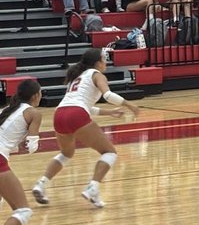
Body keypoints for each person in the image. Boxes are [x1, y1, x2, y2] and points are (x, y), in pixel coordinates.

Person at [32, 48, 138, 209]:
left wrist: (109, 112)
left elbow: (82, 105)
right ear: (97, 62)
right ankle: (93, 188)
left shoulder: (77, 77)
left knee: (66, 153)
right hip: (75, 113)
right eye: (104, 59)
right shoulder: (96, 74)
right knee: (109, 152)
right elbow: (107, 96)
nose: (106, 62)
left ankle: (41, 184)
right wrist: (129, 104)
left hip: (59, 114)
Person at [0, 79, 44, 225]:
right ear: (36, 95)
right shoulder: (34, 113)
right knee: (23, 210)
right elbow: (32, 147)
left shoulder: (6, 110)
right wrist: (32, 143)